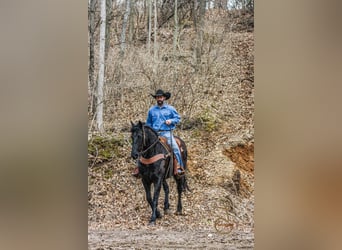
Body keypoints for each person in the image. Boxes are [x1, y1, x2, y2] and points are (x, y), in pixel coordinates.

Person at [132, 89, 185, 177]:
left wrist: (171, 121)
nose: (159, 99)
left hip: (166, 133)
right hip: (154, 133)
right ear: (156, 98)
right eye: (157, 97)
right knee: (142, 146)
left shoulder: (170, 109)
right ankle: (139, 168)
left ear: (164, 98)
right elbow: (148, 124)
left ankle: (179, 166)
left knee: (175, 147)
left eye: (160, 97)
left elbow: (178, 118)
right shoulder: (152, 110)